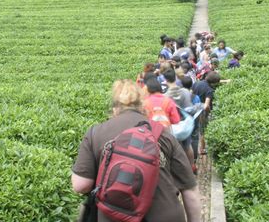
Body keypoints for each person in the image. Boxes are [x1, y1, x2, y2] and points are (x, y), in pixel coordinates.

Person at [71, 79, 201, 222]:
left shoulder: (96, 133)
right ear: (143, 107)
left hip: (113, 216)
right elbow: (190, 191)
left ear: (115, 108)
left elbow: (80, 185)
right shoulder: (163, 134)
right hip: (165, 215)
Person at [163, 70, 196, 173]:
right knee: (187, 146)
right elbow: (190, 106)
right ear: (175, 78)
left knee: (175, 149)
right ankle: (192, 166)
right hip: (186, 124)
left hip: (174, 126)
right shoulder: (185, 92)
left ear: (165, 80)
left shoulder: (165, 96)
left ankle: (179, 170)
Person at [192, 71, 220, 157]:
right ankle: (202, 149)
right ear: (214, 82)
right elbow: (206, 105)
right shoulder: (209, 90)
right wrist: (209, 110)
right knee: (203, 130)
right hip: (202, 112)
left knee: (194, 130)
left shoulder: (197, 83)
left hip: (193, 109)